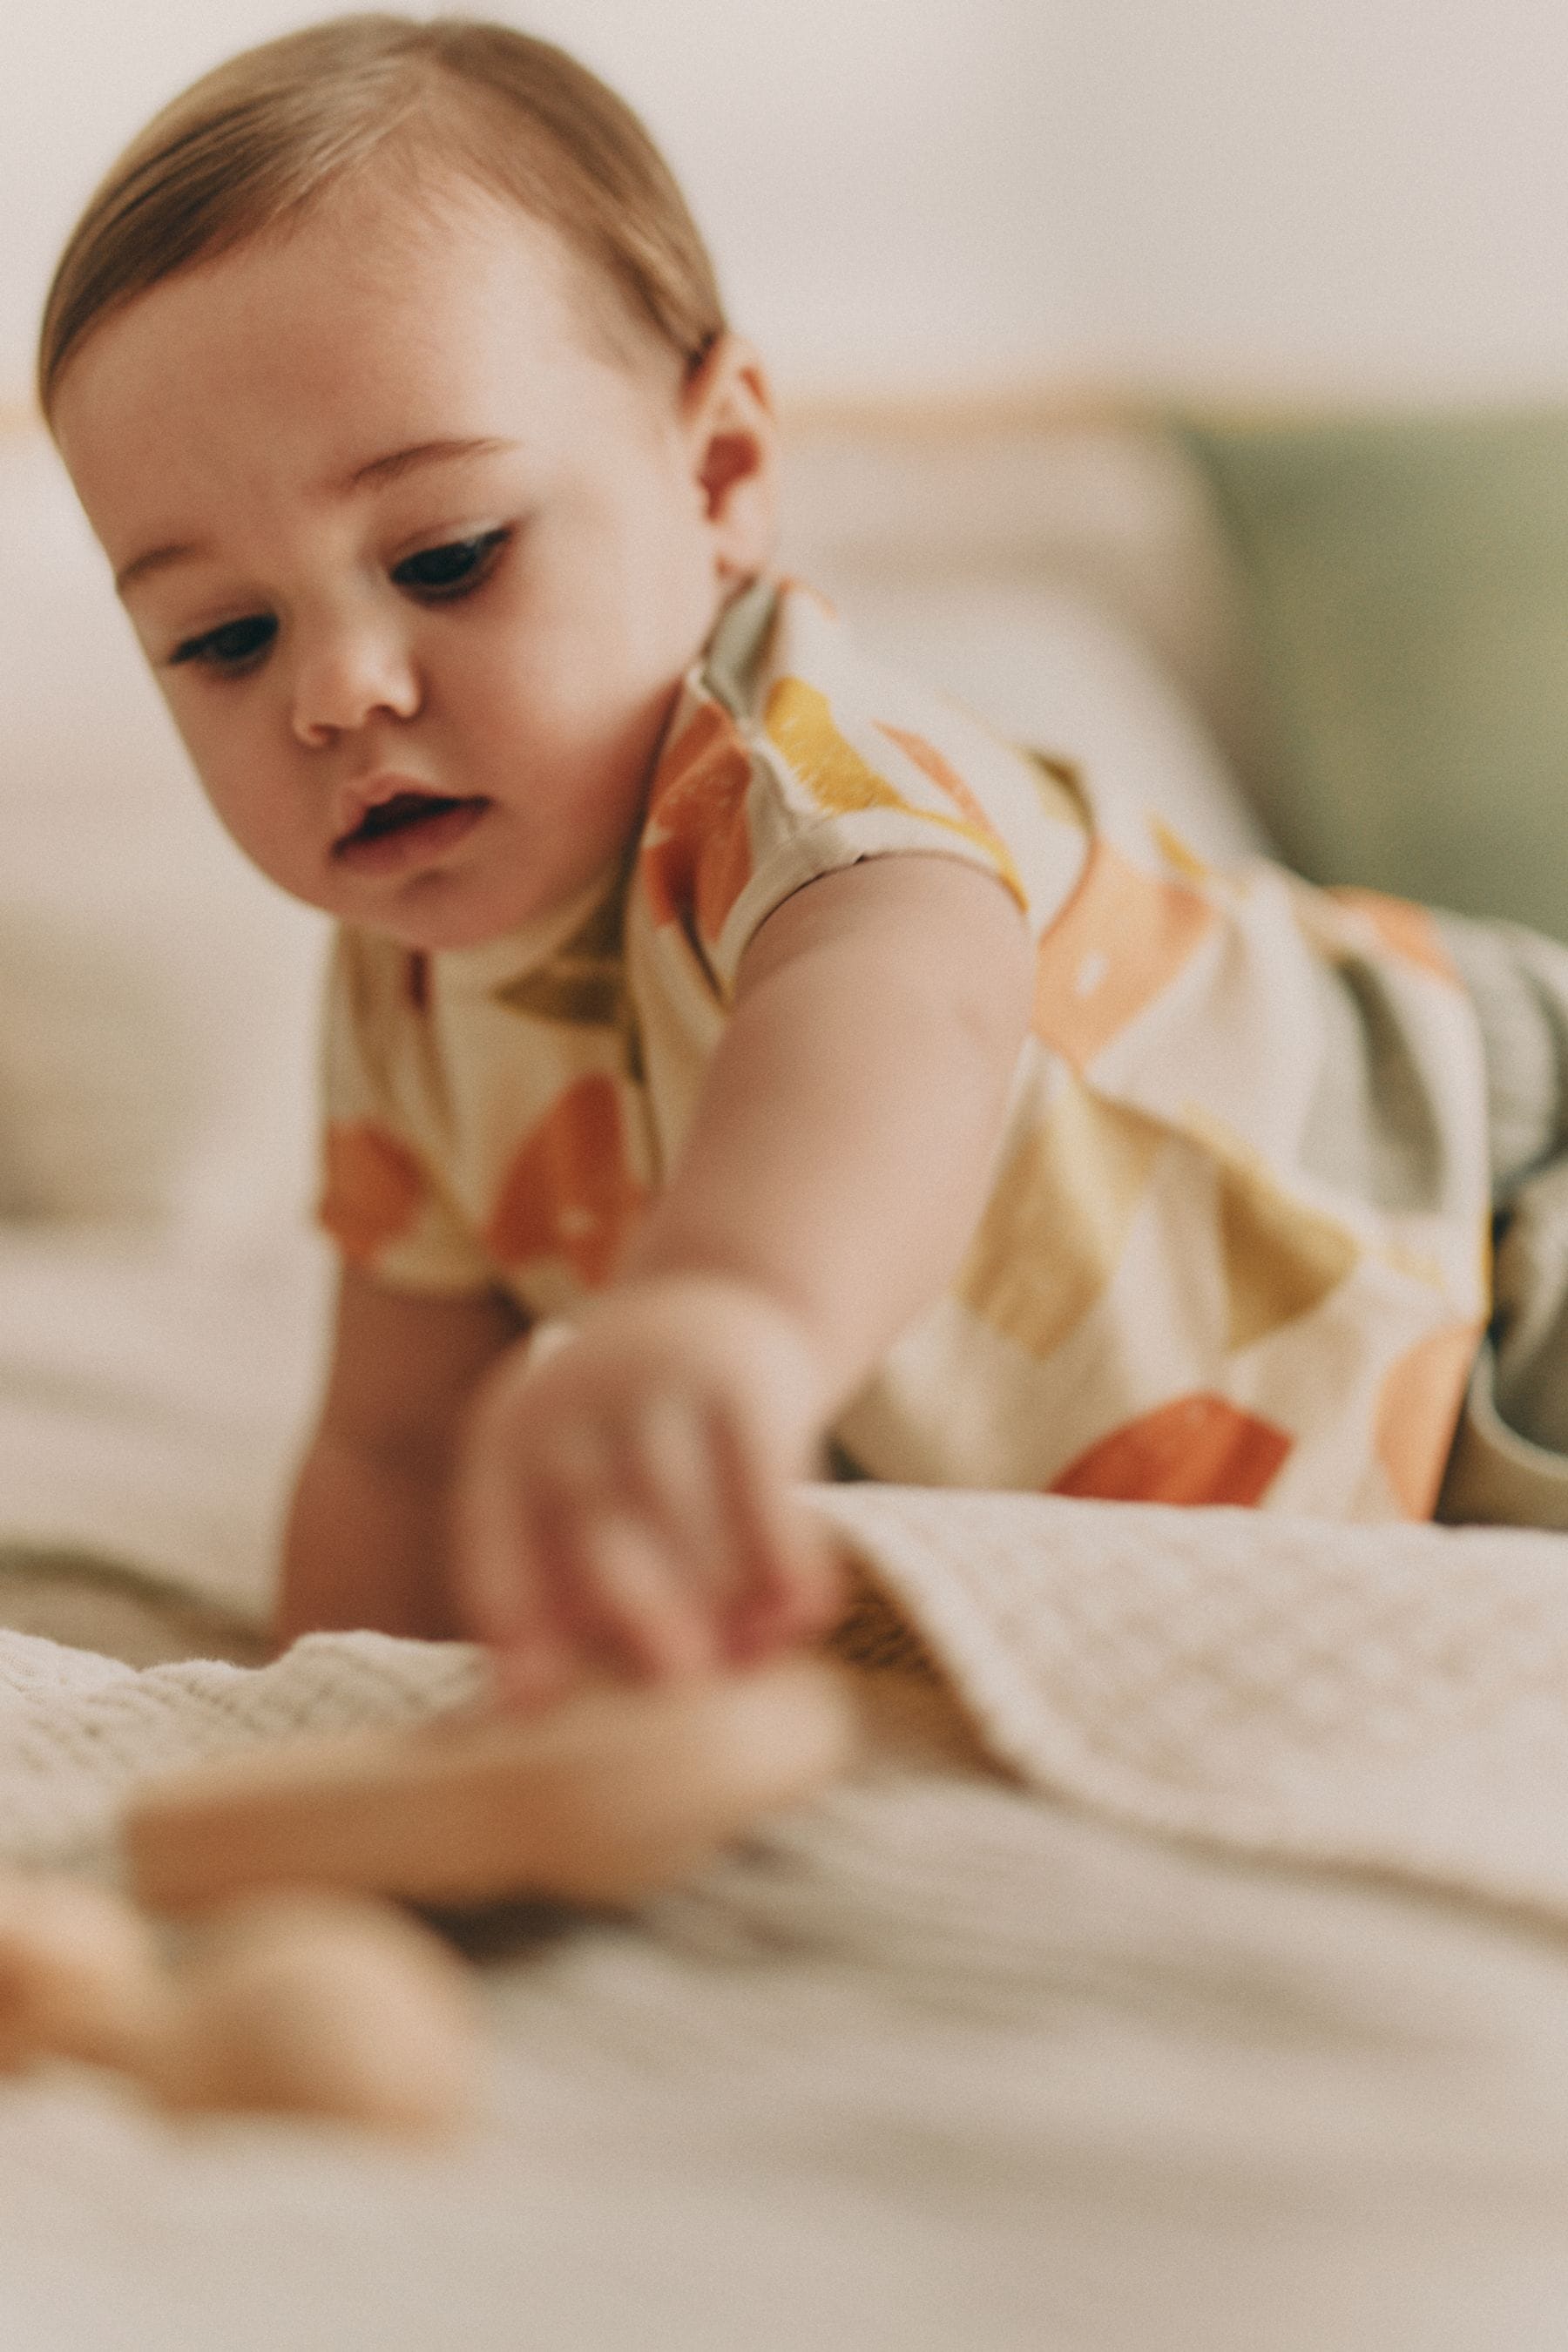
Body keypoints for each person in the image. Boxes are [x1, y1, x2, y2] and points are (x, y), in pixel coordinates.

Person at [35, 14, 1568, 1706]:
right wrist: (316, 1720)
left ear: (723, 474)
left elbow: (905, 1017)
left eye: (451, 556)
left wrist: (730, 1310)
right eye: (226, 638)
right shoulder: (402, 989)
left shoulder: (796, 770)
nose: (337, 689)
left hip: (1479, 1233)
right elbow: (397, 1448)